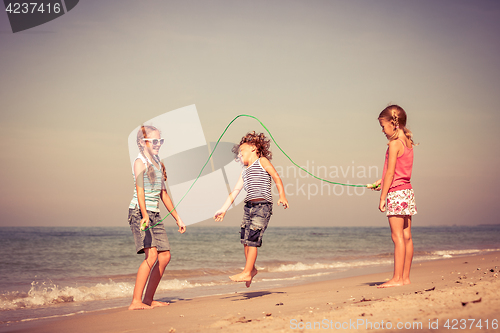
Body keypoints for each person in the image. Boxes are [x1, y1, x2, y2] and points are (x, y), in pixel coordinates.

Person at [214, 131, 289, 287]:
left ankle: (247, 271)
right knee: (246, 241)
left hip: (262, 206)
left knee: (253, 241)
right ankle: (252, 269)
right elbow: (235, 191)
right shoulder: (245, 171)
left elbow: (276, 177)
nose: (240, 156)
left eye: (242, 152)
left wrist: (282, 195)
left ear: (254, 148)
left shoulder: (262, 161)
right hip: (248, 207)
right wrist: (223, 209)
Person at [128, 125, 186, 310]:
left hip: (155, 214)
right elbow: (140, 192)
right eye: (154, 140)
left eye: (160, 140)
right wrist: (144, 215)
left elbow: (164, 194)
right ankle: (136, 301)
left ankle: (148, 299)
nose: (158, 144)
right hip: (140, 212)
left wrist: (178, 218)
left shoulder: (158, 162)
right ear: (142, 142)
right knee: (151, 256)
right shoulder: (140, 162)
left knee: (165, 256)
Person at [371, 105, 417, 288]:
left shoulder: (394, 144)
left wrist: (383, 196)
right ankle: (405, 278)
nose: (382, 130)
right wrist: (380, 182)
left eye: (383, 126)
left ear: (393, 123)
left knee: (397, 237)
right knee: (407, 237)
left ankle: (397, 279)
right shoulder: (407, 142)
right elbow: (398, 172)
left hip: (396, 193)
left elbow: (390, 174)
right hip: (407, 191)